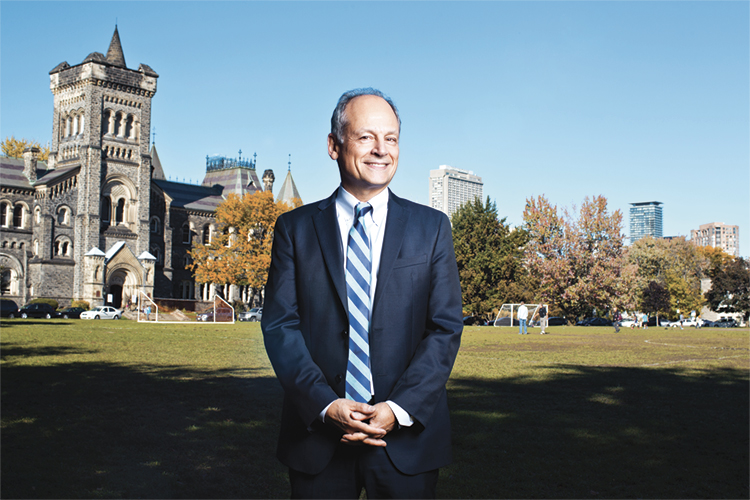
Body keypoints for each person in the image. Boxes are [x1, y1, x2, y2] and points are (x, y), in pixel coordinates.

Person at [261, 88, 463, 499]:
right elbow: (281, 326)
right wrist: (325, 405)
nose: (381, 150)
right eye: (366, 137)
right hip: (319, 439)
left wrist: (398, 409)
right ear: (335, 146)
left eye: (391, 138)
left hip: (406, 440)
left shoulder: (432, 228)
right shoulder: (295, 229)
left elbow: (444, 328)